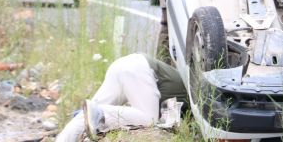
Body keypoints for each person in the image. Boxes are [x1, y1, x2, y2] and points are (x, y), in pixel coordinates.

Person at [55, 53, 187, 142]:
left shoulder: (187, 90)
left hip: (123, 65)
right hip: (139, 70)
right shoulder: (193, 102)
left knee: (87, 116)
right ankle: (101, 112)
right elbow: (168, 125)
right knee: (149, 119)